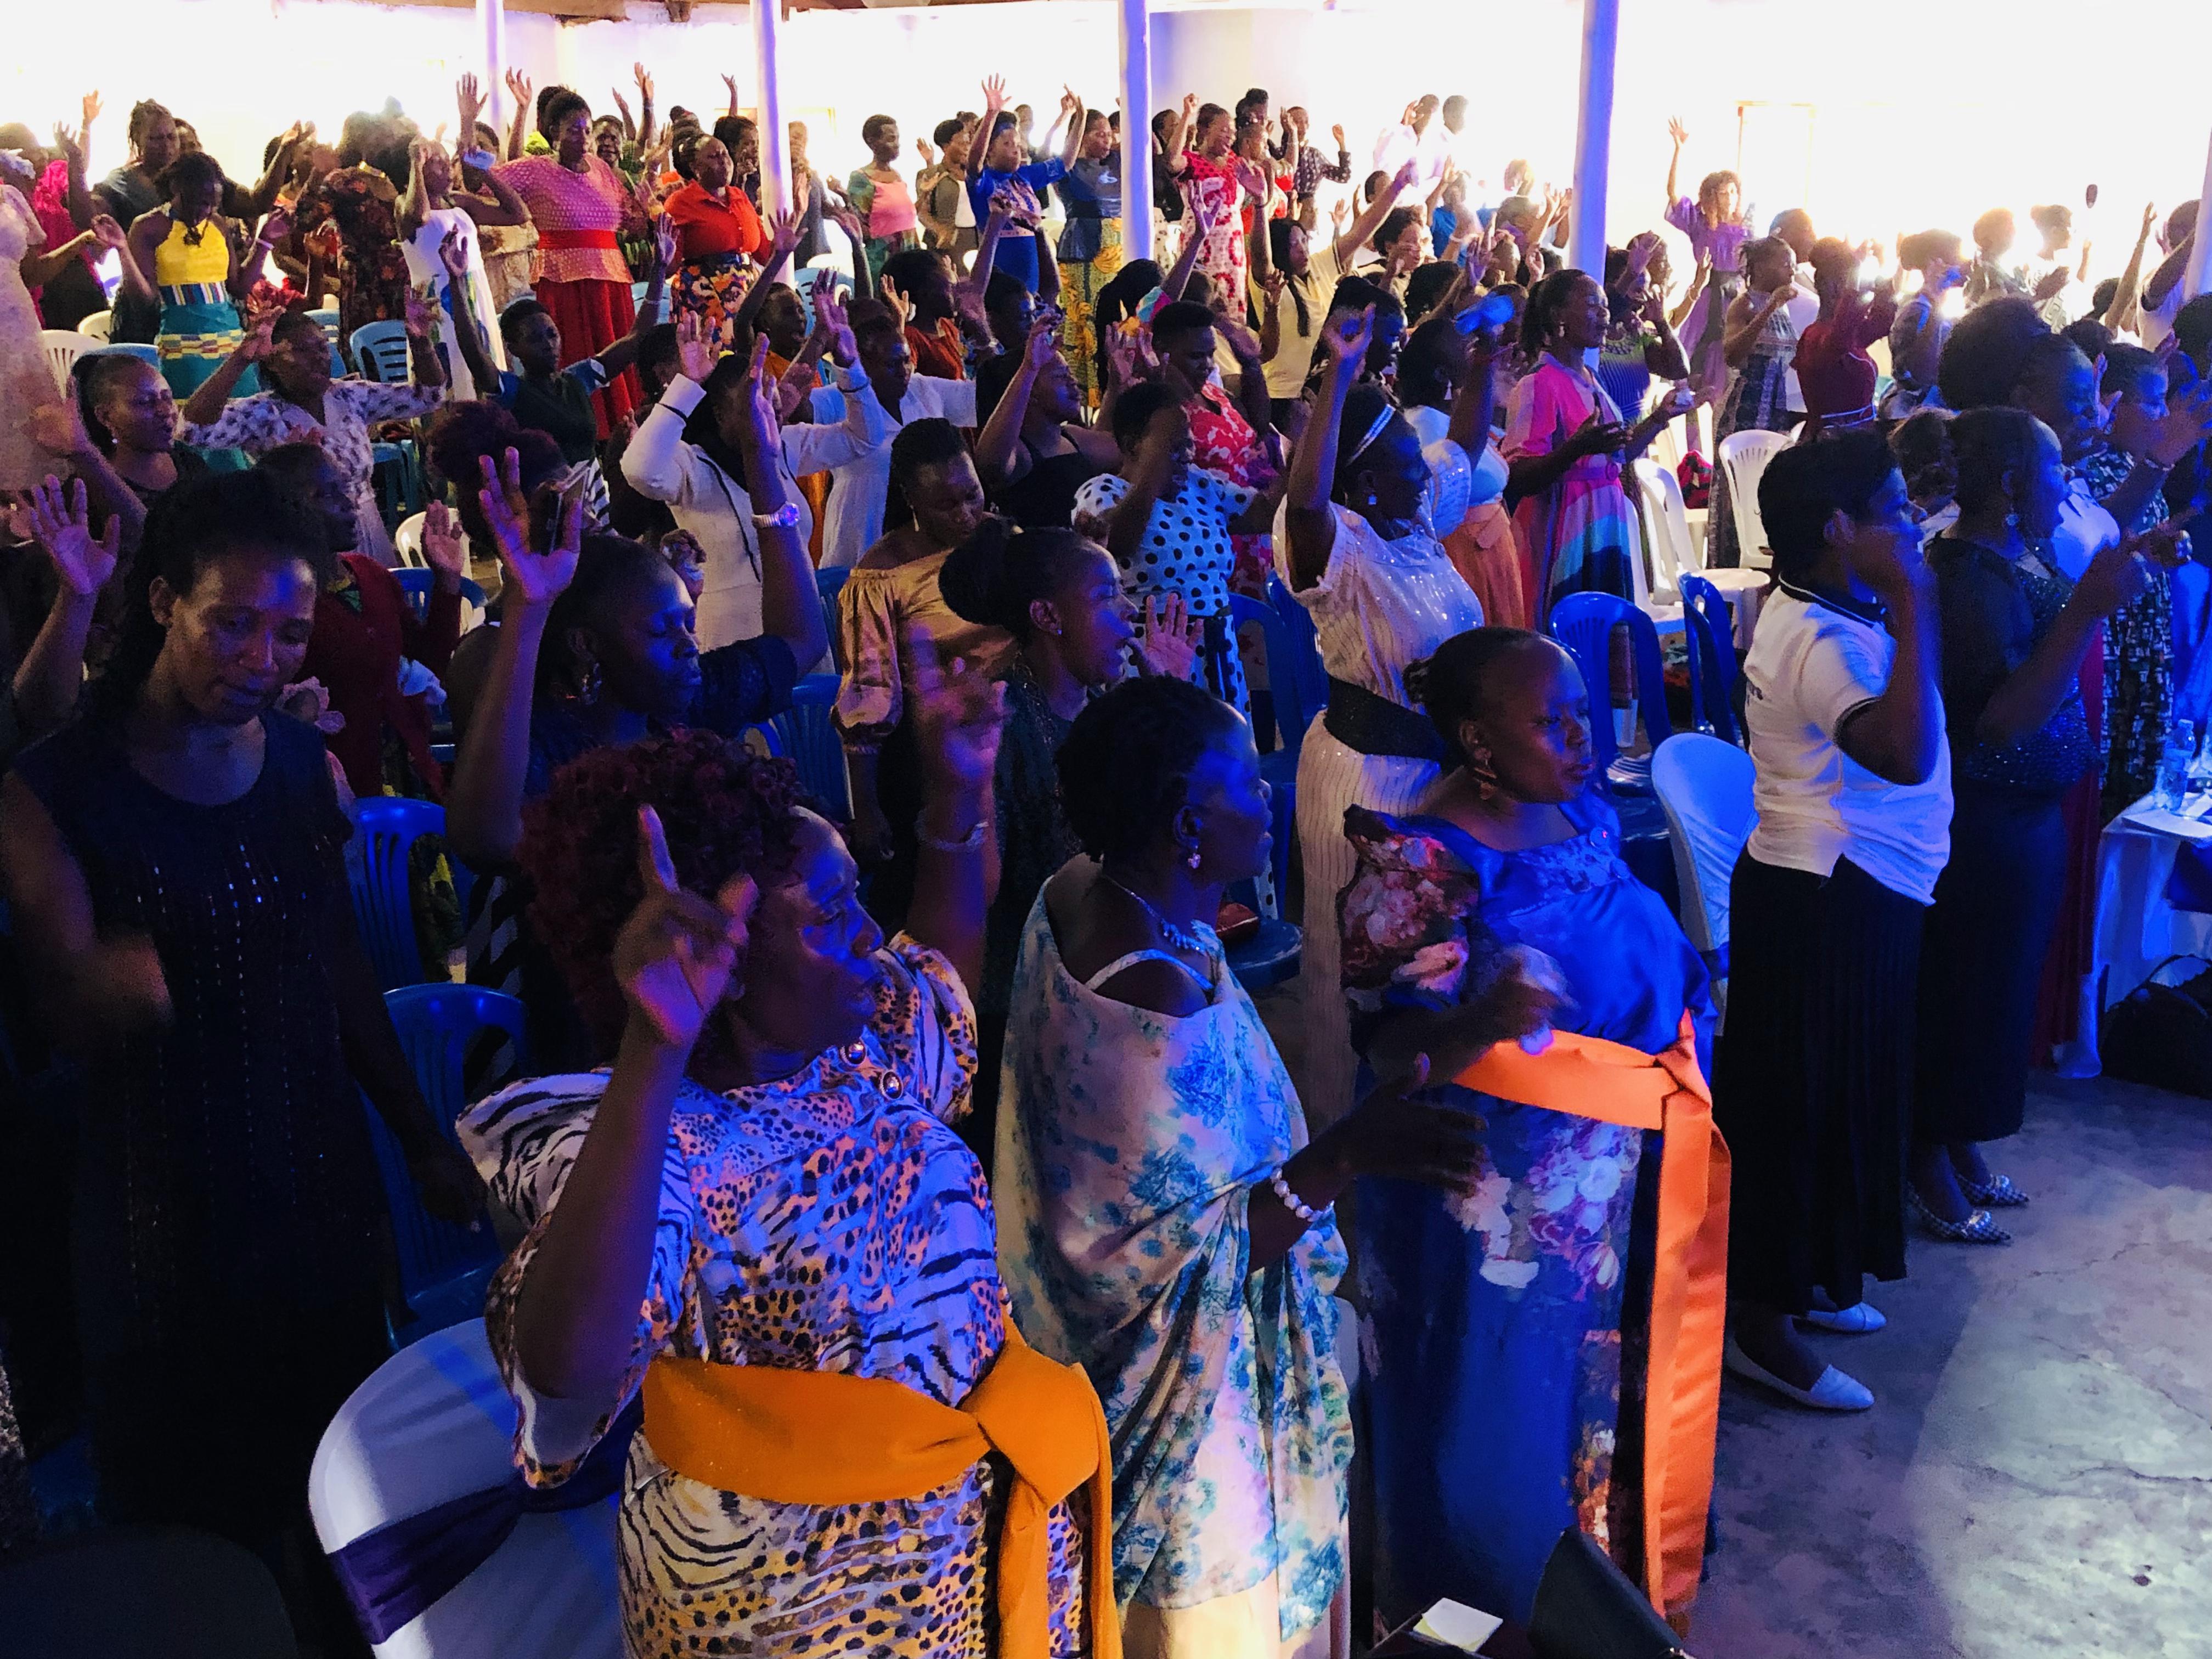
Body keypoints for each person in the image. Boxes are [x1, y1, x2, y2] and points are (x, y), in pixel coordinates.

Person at [456, 655, 1117, 1657]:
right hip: (789, 1605)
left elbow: (939, 975)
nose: (869, 934)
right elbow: (566, 1378)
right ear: (724, 961)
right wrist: (654, 1050)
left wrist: (954, 800)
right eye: (831, 914)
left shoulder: (848, 1053)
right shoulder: (646, 1137)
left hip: (961, 1551)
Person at [0, 467, 479, 1569]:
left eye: (289, 634)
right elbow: (68, 1018)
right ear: (163, 600)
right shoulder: (55, 790)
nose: (263, 659)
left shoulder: (299, 760)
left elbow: (338, 962)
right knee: (200, 1534)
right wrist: (126, 975)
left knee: (344, 1491)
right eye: (232, 624)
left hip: (316, 1177)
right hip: (160, 1215)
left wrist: (418, 1136)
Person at [983, 672, 1404, 1659]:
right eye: (1247, 783)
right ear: (1186, 825)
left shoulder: (1074, 889)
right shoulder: (1157, 1004)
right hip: (1192, 1398)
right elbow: (1195, 1259)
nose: (1267, 795)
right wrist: (1346, 1152)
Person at [1341, 624, 1716, 1628]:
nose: (1581, 738)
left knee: (1588, 1392)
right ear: (1476, 740)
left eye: (1583, 714)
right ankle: (1469, 1623)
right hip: (1493, 1217)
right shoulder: (1421, 861)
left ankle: (1586, 1606)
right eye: (1552, 722)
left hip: (1606, 1180)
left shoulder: (1577, 809)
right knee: (1490, 1413)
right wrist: (1485, 1020)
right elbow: (1388, 1050)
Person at [448, 343, 827, 1068]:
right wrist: (528, 606)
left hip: (694, 1006)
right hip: (581, 1029)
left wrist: (763, 468)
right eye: (662, 631)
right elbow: (483, 835)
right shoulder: (553, 740)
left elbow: (801, 640)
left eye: (687, 623)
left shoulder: (682, 704)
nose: (689, 646)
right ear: (589, 649)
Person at [1714, 432, 1950, 1413]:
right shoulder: (1821, 639)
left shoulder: (1822, 607)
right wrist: (1916, 598)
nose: (1910, 525)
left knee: (1837, 1100)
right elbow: (1901, 753)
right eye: (1893, 510)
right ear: (1839, 529)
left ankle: (1808, 1275)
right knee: (1797, 1113)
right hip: (1828, 894)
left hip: (1850, 888)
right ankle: (1760, 1328)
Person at [1913, 407, 2154, 1241]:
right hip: (1986, 820)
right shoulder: (1965, 577)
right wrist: (2088, 609)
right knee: (1963, 995)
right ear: (2014, 483)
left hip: (2031, 817)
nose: (2069, 484)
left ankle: (1961, 1139)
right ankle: (1924, 1158)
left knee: (1999, 998)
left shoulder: (2021, 551)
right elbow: (2004, 720)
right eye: (2057, 472)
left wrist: (2113, 580)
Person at [1274, 304, 1490, 1129]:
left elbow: (1463, 451)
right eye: (1406, 462)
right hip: (1366, 778)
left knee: (1427, 959)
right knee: (1354, 960)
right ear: (1363, 485)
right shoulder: (1344, 547)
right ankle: (1343, 1136)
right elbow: (1305, 505)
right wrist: (1338, 372)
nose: (1426, 474)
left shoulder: (1416, 523)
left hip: (1437, 774)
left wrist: (1483, 362)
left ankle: (1421, 1124)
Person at [935, 517, 1195, 1142]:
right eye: (1106, 597)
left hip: (1103, 966)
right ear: (1048, 617)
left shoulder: (1101, 705)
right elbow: (983, 894)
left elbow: (1179, 839)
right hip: (1025, 1000)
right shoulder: (999, 721)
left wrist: (1169, 703)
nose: (1129, 613)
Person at [620, 303, 890, 648]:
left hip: (802, 639)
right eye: (753, 401)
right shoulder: (693, 465)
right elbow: (639, 470)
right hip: (730, 643)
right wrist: (686, 386)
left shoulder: (785, 446)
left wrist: (850, 366)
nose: (769, 408)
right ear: (720, 414)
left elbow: (866, 437)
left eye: (770, 397)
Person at [835, 418, 1009, 926]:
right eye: (946, 504)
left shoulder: (1001, 538)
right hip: (931, 753)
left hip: (1012, 734)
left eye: (972, 495)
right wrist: (867, 807)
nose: (966, 514)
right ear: (911, 499)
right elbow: (868, 692)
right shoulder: (882, 575)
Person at [258, 441, 465, 803]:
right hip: (334, 792)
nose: (350, 503)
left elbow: (429, 661)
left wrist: (447, 582)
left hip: (407, 777)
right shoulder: (280, 604)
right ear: (285, 510)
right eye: (325, 494)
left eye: (345, 488)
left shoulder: (370, 575)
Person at [178, 296, 448, 565]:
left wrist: (420, 340)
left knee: (373, 588)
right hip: (302, 542)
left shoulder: (348, 396)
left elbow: (429, 397)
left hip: (366, 529)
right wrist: (241, 358)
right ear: (272, 361)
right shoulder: (262, 414)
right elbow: (192, 430)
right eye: (303, 350)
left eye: (322, 347)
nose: (319, 357)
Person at [1073, 382, 1285, 713]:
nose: (1187, 454)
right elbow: (1117, 542)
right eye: (1173, 446)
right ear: (1131, 446)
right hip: (1152, 660)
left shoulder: (1199, 485)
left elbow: (1272, 514)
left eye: (1188, 443)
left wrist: (1304, 449)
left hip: (1220, 655)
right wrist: (1153, 473)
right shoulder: (1101, 492)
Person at [1504, 269, 1692, 605]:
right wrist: (1576, 449)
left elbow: (1616, 456)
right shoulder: (1538, 384)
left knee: (1606, 622)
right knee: (1573, 620)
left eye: (1605, 306)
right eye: (1593, 305)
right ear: (1558, 316)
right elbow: (1519, 475)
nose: (1605, 315)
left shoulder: (1589, 377)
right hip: (1566, 524)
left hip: (1604, 518)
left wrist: (1660, 417)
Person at [497, 87, 653, 434]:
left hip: (611, 278)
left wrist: (646, 204)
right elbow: (488, 179)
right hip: (566, 280)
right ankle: (584, 431)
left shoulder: (601, 169)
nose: (583, 138)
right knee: (577, 355)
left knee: (618, 357)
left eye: (587, 130)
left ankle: (622, 432)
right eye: (573, 130)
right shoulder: (536, 169)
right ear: (554, 132)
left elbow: (630, 221)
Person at [807, 297, 980, 571]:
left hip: (928, 541)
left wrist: (983, 335)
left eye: (906, 361)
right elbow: (791, 409)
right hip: (859, 534)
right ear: (861, 363)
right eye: (891, 364)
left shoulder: (924, 390)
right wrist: (818, 342)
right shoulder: (836, 399)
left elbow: (986, 398)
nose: (903, 372)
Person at [1250, 163, 1413, 415]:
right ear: (1280, 250)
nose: (1303, 249)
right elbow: (1261, 257)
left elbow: (1360, 233)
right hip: (1282, 397)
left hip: (1324, 390)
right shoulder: (1274, 281)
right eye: (1293, 245)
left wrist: (1397, 187)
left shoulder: (1319, 265)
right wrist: (1261, 205)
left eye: (1304, 240)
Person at [1397, 312, 1527, 627]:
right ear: (1442, 374)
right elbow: (1476, 477)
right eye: (1469, 349)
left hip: (1487, 553)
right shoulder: (1426, 427)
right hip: (1468, 558)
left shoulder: (1445, 418)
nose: (1478, 354)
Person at [123, 150, 286, 399]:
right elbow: (145, 302)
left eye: (212, 204)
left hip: (231, 344)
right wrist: (122, 251)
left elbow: (239, 287)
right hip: (184, 350)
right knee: (193, 417)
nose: (205, 210)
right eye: (198, 202)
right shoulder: (148, 227)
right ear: (175, 188)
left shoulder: (217, 224)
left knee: (242, 415)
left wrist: (265, 241)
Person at [1, 161, 121, 492]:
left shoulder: (11, 197)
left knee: (30, 421)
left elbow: (33, 274)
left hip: (17, 325)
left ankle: (38, 509)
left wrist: (81, 242)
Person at [398, 106, 529, 402]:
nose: (448, 169)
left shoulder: (458, 202)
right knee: (446, 372)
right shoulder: (403, 205)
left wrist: (484, 171)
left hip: (473, 290)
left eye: (449, 162)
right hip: (437, 295)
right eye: (437, 164)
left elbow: (518, 214)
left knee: (482, 365)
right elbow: (419, 217)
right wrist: (416, 163)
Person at [1703, 235, 1804, 566]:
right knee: (1739, 491)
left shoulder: (1786, 307)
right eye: (1785, 263)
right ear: (1760, 267)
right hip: (1745, 408)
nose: (1791, 270)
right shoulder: (1744, 304)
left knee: (1767, 489)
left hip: (1774, 409)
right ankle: (1730, 566)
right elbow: (1733, 354)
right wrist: (1769, 307)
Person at [973, 320, 1118, 529]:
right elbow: (991, 463)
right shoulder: (1021, 454)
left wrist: (1117, 383)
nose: (1073, 382)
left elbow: (1127, 451)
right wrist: (1029, 368)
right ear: (1030, 391)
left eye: (1069, 373)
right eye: (1061, 376)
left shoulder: (1070, 437)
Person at [292, 113, 413, 343]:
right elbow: (303, 220)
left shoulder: (395, 181)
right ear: (359, 141)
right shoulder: (343, 181)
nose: (388, 143)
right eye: (380, 137)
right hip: (365, 287)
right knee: (369, 349)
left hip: (401, 286)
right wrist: (318, 174)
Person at [967, 79, 1080, 296]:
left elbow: (1066, 162)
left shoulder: (1025, 177)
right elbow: (974, 164)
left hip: (1033, 276)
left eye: (1018, 144)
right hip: (1001, 279)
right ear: (989, 150)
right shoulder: (985, 182)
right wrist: (991, 115)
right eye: (1007, 144)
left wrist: (1079, 117)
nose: (1016, 150)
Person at [1662, 117, 1748, 402]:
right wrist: (1678, 150)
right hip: (1706, 294)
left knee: (1727, 370)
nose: (1730, 197)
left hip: (1734, 298)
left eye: (1733, 192)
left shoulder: (1746, 230)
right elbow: (1673, 194)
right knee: (1696, 364)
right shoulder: (1700, 223)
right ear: (1713, 196)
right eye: (1724, 193)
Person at [1794, 238, 1899, 436]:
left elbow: (1883, 321)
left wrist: (1882, 269)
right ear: (1834, 288)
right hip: (1831, 444)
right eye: (1852, 283)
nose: (1861, 289)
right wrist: (1852, 288)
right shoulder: (1815, 337)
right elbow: (1839, 340)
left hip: (1858, 439)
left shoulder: (1850, 333)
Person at [1054, 107, 1124, 406]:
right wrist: (1071, 117)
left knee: (1111, 317)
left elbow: (1154, 150)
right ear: (1081, 137)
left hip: (1115, 247)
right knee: (1086, 319)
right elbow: (1043, 154)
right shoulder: (1068, 167)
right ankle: (1083, 394)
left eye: (1110, 134)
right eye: (1100, 134)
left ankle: (1110, 387)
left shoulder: (1117, 162)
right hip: (1083, 250)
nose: (1108, 140)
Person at [1881, 230, 1966, 420]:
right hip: (1912, 413)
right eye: (1956, 258)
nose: (1962, 265)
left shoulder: (1930, 306)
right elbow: (1917, 372)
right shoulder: (1918, 309)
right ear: (1936, 262)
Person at [845, 114, 921, 292]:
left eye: (898, 138)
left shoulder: (897, 176)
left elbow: (905, 218)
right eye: (891, 139)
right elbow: (860, 228)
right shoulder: (861, 178)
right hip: (883, 260)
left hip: (909, 257)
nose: (897, 144)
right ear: (873, 142)